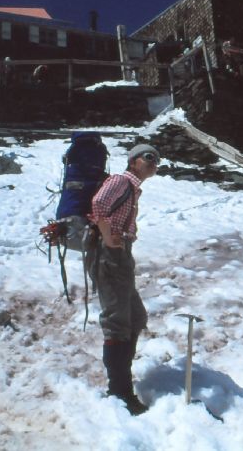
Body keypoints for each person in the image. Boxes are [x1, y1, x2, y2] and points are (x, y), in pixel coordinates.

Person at [89, 144, 160, 416]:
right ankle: (120, 393)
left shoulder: (133, 188)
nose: (154, 163)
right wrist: (107, 237)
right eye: (149, 157)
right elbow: (98, 205)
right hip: (109, 255)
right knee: (118, 323)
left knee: (136, 317)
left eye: (157, 159)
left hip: (121, 255)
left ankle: (122, 380)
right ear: (133, 161)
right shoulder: (120, 180)